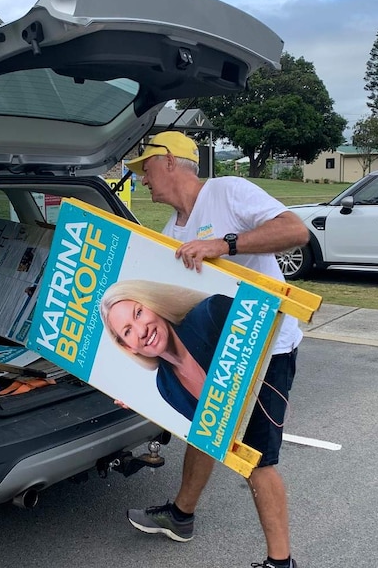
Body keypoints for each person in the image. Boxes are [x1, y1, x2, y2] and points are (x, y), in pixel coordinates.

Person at [122, 131, 310, 568]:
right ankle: (181, 516)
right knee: (206, 430)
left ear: (170, 161)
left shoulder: (227, 191)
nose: (144, 180)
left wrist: (224, 245)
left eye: (145, 168)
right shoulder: (172, 232)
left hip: (266, 347)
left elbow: (295, 230)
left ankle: (280, 563)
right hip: (220, 351)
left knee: (257, 459)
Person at [99, 280, 232, 420]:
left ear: (152, 303)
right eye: (127, 331)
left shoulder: (210, 314)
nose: (141, 331)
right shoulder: (166, 386)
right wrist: (142, 408)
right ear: (128, 346)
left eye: (138, 313)